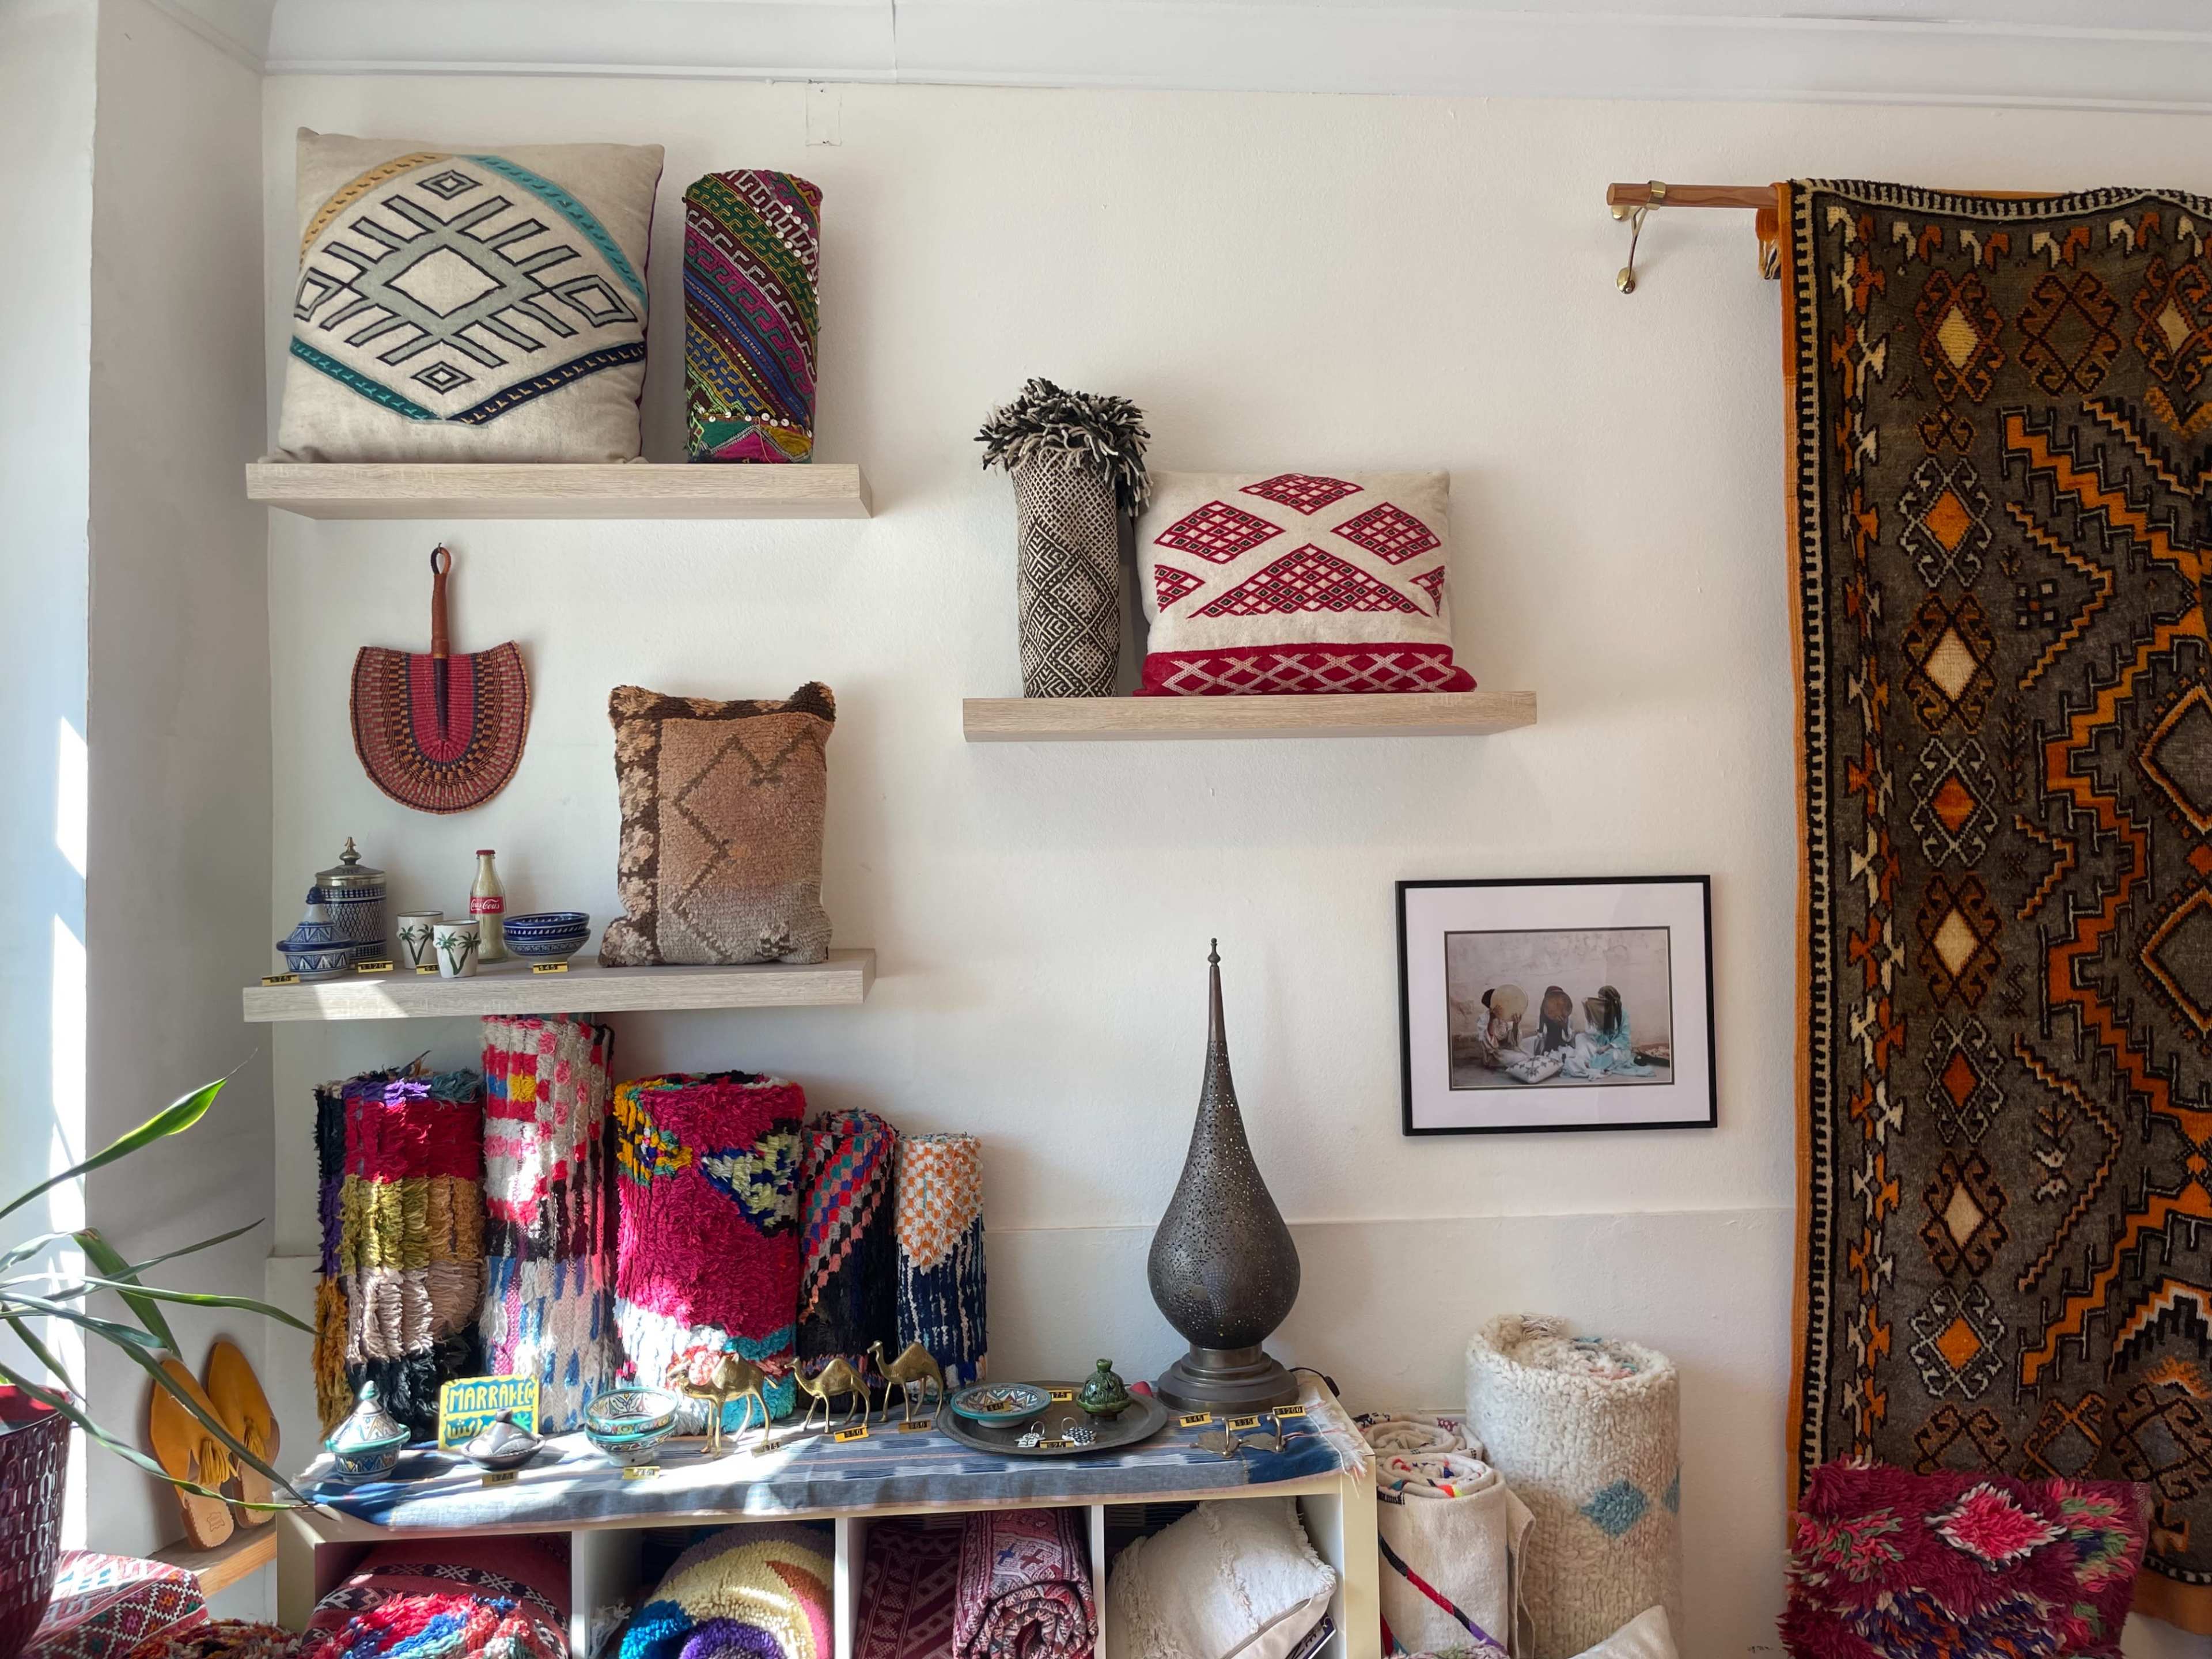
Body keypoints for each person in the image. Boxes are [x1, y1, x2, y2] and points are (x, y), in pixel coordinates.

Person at [1563, 984, 1656, 1079]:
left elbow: (1624, 1037)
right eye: (1599, 1000)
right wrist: (1588, 1011)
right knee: (1581, 1037)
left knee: (1612, 1055)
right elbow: (1598, 1033)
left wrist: (1607, 1047)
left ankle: (1591, 1064)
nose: (1600, 1003)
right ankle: (1586, 1060)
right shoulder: (1603, 1013)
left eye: (1602, 1000)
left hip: (1619, 1048)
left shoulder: (1623, 1014)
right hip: (1602, 1044)